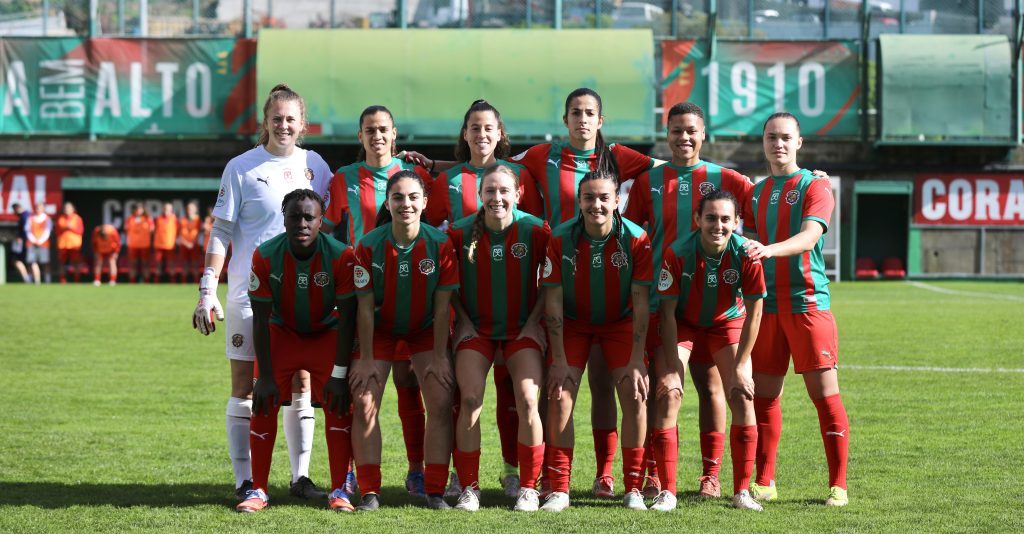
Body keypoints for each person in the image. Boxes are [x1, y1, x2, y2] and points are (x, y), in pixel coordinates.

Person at [191, 83, 335, 502]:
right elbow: (221, 231)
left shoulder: (317, 166)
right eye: (277, 118)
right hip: (247, 296)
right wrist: (207, 292)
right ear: (265, 121)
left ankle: (300, 477)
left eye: (292, 118)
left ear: (302, 124)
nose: (284, 125)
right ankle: (244, 479)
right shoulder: (241, 167)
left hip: (303, 298)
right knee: (245, 385)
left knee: (301, 383)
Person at [623, 102, 754, 500]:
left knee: (714, 389)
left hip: (716, 304)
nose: (684, 137)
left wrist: (811, 173)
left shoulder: (727, 178)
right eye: (677, 130)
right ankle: (654, 476)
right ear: (668, 134)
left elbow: (766, 199)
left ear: (703, 134)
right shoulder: (650, 179)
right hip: (666, 304)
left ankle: (711, 477)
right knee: (663, 390)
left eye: (691, 130)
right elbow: (631, 230)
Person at [424, 100, 537, 498]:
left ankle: (513, 473)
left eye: (489, 127)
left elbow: (534, 233)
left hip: (519, 312)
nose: (482, 134)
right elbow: (435, 235)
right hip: (467, 307)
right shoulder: (448, 181)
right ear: (465, 134)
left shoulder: (522, 175)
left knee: (515, 394)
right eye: (474, 127)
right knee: (463, 394)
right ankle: (461, 476)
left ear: (500, 133)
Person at [322, 104, 435, 498]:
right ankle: (354, 472)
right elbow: (332, 233)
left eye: (383, 129)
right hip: (359, 298)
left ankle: (416, 470)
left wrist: (434, 161)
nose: (377, 136)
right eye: (369, 129)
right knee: (361, 384)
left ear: (395, 133)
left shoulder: (414, 175)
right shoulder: (344, 178)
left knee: (409, 384)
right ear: (360, 136)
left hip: (408, 294)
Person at [742, 112, 850, 507]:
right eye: (772, 137)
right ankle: (765, 481)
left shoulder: (815, 185)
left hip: (808, 305)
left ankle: (838, 486)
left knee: (824, 396)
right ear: (764, 141)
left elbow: (809, 236)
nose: (779, 144)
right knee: (764, 397)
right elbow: (745, 234)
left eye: (786, 137)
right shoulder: (756, 192)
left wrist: (769, 249)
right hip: (767, 309)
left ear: (799, 142)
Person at [238, 189, 358, 513]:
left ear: (322, 221)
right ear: (284, 218)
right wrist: (262, 376)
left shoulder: (341, 255)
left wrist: (339, 374)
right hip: (281, 333)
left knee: (338, 403)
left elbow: (348, 320)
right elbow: (261, 320)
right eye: (295, 216)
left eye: (310, 217)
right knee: (263, 403)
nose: (302, 222)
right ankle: (258, 490)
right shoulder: (264, 255)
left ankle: (339, 490)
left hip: (326, 333)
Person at [541, 170, 652, 511]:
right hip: (574, 324)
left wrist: (636, 359)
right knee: (559, 394)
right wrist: (558, 359)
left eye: (604, 197)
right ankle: (560, 488)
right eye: (589, 198)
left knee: (634, 393)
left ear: (617, 201)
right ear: (579, 202)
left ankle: (632, 486)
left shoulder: (636, 239)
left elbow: (641, 302)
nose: (597, 205)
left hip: (620, 323)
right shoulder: (560, 238)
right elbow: (554, 301)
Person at [349, 170, 458, 512]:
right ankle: (369, 491)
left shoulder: (441, 245)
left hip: (425, 330)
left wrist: (440, 357)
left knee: (440, 400)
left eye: (413, 197)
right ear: (387, 202)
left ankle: (435, 489)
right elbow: (364, 310)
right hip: (380, 331)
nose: (406, 204)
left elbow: (442, 310)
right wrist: (366, 358)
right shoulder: (368, 245)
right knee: (365, 401)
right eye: (398, 197)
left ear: (425, 203)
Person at [446, 164, 550, 512]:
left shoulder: (535, 230)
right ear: (480, 195)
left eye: (504, 191)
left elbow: (551, 283)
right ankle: (469, 488)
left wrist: (535, 322)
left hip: (521, 331)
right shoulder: (459, 234)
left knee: (527, 401)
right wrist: (463, 321)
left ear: (518, 194)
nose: (497, 198)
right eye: (490, 191)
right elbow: (448, 287)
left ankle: (529, 487)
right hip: (478, 331)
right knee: (471, 399)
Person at [656, 189, 766, 512]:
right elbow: (666, 313)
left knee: (742, 392)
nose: (717, 225)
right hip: (684, 323)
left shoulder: (746, 254)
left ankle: (741, 491)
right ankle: (668, 492)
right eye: (710, 218)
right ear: (697, 220)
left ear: (737, 222)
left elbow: (756, 310)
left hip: (726, 323)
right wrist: (673, 371)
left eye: (725, 219)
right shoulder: (677, 253)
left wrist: (743, 363)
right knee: (670, 392)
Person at [56, 202, 86, 283]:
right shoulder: (60, 218)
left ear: (73, 209)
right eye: (65, 208)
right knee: (61, 263)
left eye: (68, 208)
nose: (67, 210)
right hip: (63, 244)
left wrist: (71, 228)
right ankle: (62, 280)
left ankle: (76, 280)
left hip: (74, 245)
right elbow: (57, 232)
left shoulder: (77, 218)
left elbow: (81, 231)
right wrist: (64, 228)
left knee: (76, 262)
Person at [124, 203, 153, 283]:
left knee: (145, 264)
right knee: (133, 264)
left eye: (140, 209)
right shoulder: (130, 219)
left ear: (143, 210)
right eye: (136, 209)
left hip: (144, 245)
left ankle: (147, 281)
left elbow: (152, 230)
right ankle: (132, 281)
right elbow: (126, 230)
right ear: (133, 210)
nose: (138, 211)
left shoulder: (147, 218)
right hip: (133, 245)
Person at [25, 202, 53, 284]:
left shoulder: (47, 219)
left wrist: (40, 241)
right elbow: (28, 231)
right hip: (31, 244)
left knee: (45, 263)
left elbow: (47, 232)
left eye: (40, 208)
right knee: (31, 262)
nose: (38, 210)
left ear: (43, 209)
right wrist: (34, 241)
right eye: (37, 208)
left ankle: (47, 280)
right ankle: (31, 280)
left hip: (44, 244)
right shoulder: (30, 218)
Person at [177, 201, 203, 283]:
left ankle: (196, 282)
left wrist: (193, 243)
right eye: (188, 208)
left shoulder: (198, 220)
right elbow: (179, 234)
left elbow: (200, 233)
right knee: (184, 264)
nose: (190, 210)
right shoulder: (182, 220)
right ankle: (184, 282)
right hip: (184, 245)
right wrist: (186, 243)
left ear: (195, 209)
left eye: (192, 209)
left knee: (195, 264)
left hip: (194, 245)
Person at [153, 202, 178, 283]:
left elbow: (178, 230)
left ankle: (172, 281)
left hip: (170, 245)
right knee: (158, 264)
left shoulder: (174, 219)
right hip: (159, 245)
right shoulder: (158, 218)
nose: (166, 210)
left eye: (168, 209)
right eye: (165, 208)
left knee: (171, 264)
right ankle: (156, 281)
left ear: (171, 210)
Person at [10, 203, 31, 283]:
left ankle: (27, 278)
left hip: (24, 242)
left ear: (17, 208)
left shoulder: (24, 216)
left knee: (16, 260)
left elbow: (26, 230)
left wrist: (21, 238)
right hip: (26, 242)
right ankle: (28, 278)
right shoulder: (26, 215)